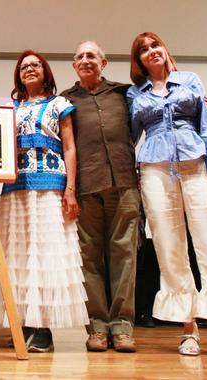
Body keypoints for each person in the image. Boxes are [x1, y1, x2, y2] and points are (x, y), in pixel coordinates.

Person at [126, 32, 207, 358]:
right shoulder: (135, 94)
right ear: (139, 61)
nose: (152, 51)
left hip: (196, 165)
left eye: (155, 45)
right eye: (144, 50)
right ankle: (188, 329)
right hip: (154, 172)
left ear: (165, 50)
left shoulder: (190, 80)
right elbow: (128, 136)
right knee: (170, 248)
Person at [0, 50, 89, 352]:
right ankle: (23, 325)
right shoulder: (10, 108)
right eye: (24, 67)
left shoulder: (60, 105)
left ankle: (44, 328)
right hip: (15, 188)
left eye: (35, 65)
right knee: (17, 256)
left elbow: (70, 148)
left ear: (46, 71)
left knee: (47, 254)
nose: (29, 70)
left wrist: (70, 190)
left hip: (50, 186)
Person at [60, 41, 140, 352]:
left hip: (124, 183)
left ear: (103, 63)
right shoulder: (65, 100)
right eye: (79, 56)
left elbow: (155, 109)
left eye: (91, 55)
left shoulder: (124, 93)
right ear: (73, 65)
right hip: (84, 188)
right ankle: (97, 327)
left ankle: (122, 327)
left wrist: (198, 102)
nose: (85, 60)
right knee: (88, 258)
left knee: (125, 256)